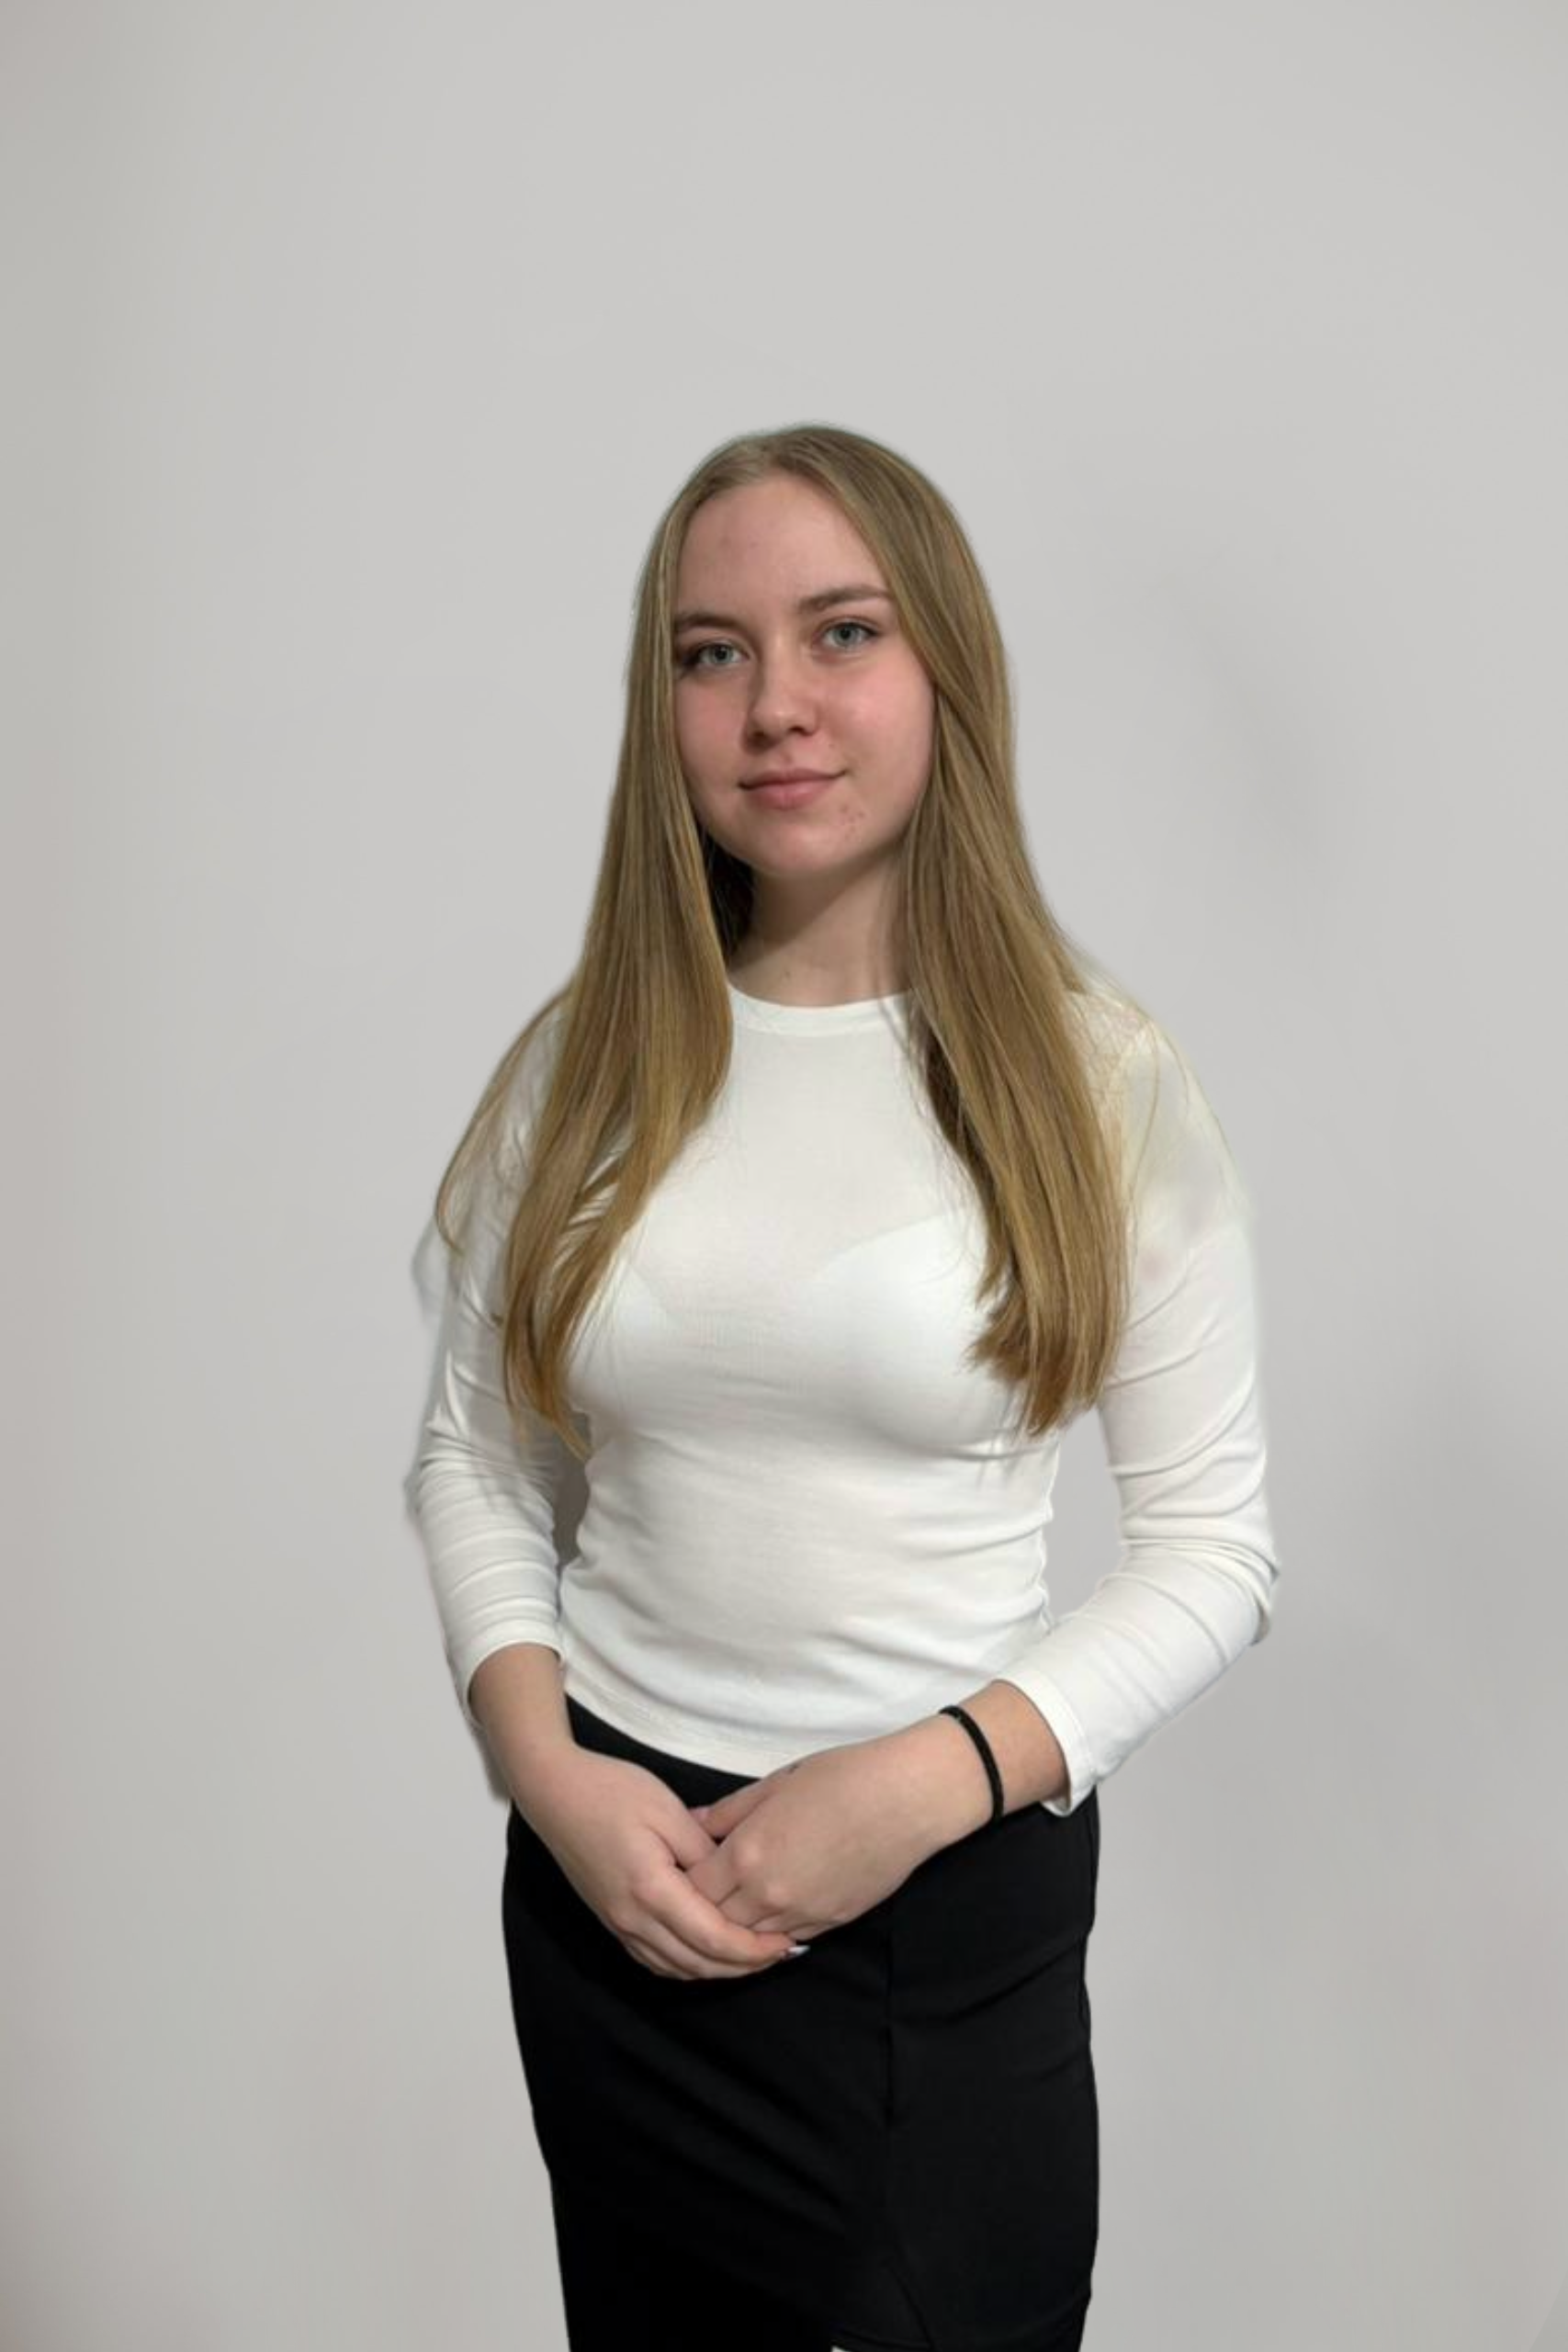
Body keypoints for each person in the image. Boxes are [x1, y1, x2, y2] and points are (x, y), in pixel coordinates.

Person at [402, 422, 1282, 2352]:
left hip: (935, 1915)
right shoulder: (586, 1064)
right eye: (710, 652)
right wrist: (549, 1774)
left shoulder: (1096, 1081)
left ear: (944, 666)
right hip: (609, 1904)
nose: (775, 705)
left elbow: (1214, 1551)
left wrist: (919, 1784)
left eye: (841, 633)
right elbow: (476, 1456)